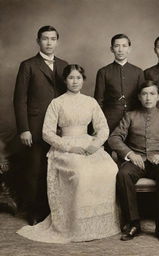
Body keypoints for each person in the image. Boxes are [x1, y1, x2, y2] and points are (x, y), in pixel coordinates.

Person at [17, 64, 119, 243]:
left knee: (109, 168)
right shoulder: (57, 103)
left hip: (88, 143)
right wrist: (70, 148)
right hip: (65, 146)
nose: (75, 81)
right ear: (65, 80)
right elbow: (47, 132)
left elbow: (103, 127)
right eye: (71, 78)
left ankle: (99, 223)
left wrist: (95, 145)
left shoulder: (90, 102)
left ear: (83, 80)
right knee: (81, 172)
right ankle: (76, 225)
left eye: (78, 78)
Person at [108, 80, 159, 244]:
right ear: (139, 97)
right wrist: (130, 154)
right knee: (123, 174)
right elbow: (114, 138)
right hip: (137, 160)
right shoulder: (130, 116)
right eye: (144, 94)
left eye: (152, 94)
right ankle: (134, 223)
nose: (148, 98)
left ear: (158, 97)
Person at [13, 25, 68, 225]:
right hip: (35, 125)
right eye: (45, 39)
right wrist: (24, 129)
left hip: (60, 127)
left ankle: (54, 210)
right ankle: (34, 211)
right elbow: (20, 99)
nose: (49, 42)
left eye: (53, 39)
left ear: (57, 41)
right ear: (38, 41)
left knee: (58, 168)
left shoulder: (64, 65)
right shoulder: (28, 65)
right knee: (36, 169)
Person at [94, 34, 145, 139]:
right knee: (107, 152)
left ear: (129, 49)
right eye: (117, 46)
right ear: (112, 49)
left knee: (128, 153)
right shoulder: (103, 72)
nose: (120, 49)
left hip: (132, 121)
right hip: (109, 120)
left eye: (124, 46)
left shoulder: (138, 72)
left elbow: (142, 100)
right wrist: (99, 124)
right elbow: (98, 101)